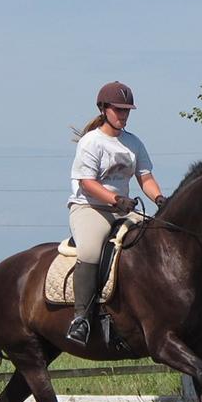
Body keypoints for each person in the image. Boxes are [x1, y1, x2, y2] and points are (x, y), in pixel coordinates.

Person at [65, 81, 166, 345]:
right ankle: (81, 320)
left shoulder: (133, 143)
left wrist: (160, 198)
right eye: (118, 110)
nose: (123, 115)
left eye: (126, 110)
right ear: (103, 108)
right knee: (90, 252)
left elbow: (145, 177)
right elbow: (87, 183)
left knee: (154, 240)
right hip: (90, 208)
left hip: (123, 209)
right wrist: (115, 198)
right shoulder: (91, 142)